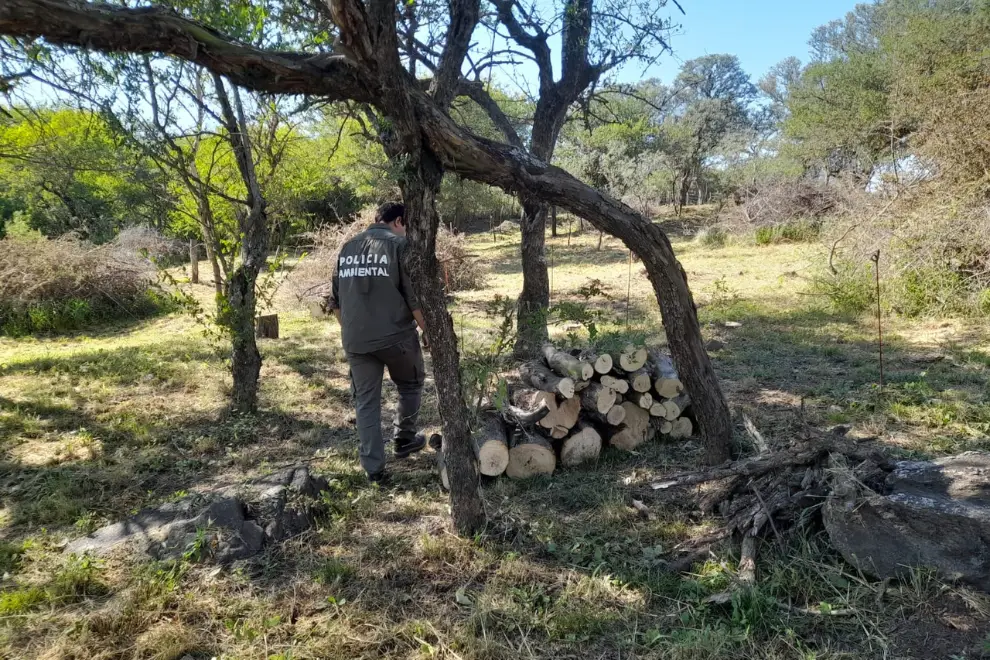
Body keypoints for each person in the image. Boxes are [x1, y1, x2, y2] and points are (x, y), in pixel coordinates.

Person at [328, 202, 428, 483]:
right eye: (407, 226)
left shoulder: (347, 248)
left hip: (355, 340)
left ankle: (374, 470)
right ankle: (404, 440)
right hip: (396, 337)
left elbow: (335, 301)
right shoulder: (400, 246)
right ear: (398, 221)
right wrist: (428, 331)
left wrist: (351, 332)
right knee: (411, 383)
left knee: (366, 403)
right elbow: (414, 299)